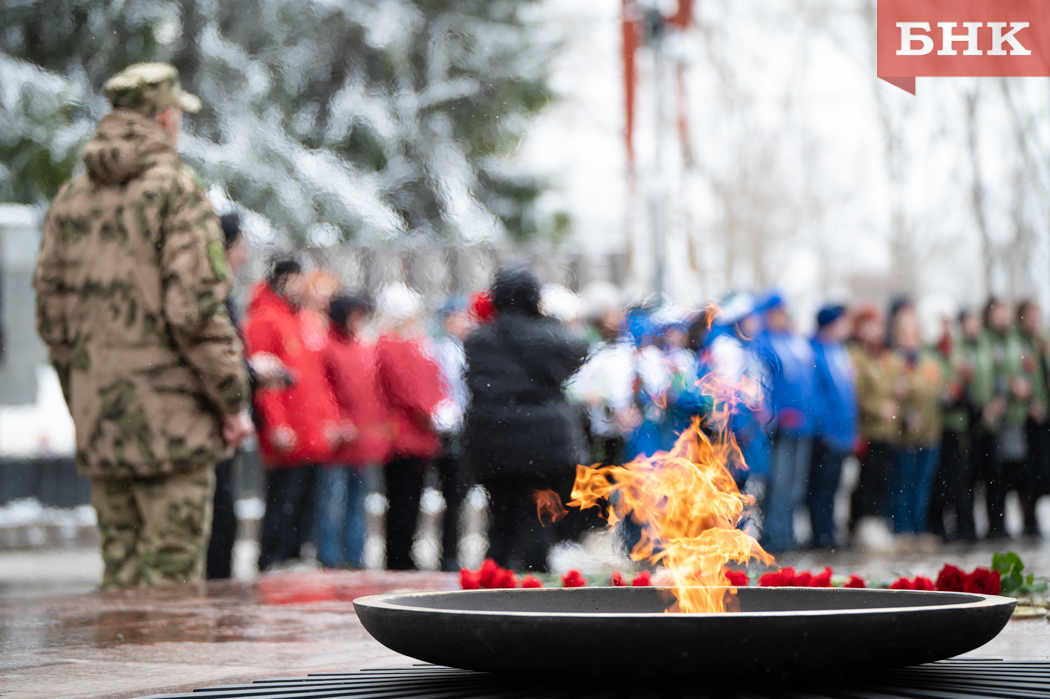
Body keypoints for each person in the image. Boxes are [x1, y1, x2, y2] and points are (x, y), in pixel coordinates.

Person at [33, 63, 252, 588]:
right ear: (168, 117)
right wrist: (231, 400)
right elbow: (195, 310)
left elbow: (51, 319)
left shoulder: (71, 200)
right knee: (171, 588)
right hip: (172, 425)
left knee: (122, 584)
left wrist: (87, 400)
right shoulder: (176, 190)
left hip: (103, 422)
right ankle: (167, 677)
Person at [463, 266, 589, 571]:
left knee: (501, 519)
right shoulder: (549, 337)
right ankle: (535, 584)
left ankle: (493, 583)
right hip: (544, 444)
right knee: (540, 517)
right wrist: (546, 319)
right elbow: (579, 349)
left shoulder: (479, 340)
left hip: (493, 442)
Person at [244, 255, 339, 571]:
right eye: (298, 280)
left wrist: (328, 420)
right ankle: (273, 556)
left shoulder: (299, 320)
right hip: (289, 430)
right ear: (283, 279)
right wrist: (276, 424)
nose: (303, 287)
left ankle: (296, 553)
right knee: (283, 497)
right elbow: (265, 379)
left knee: (304, 498)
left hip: (310, 429)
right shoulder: (265, 319)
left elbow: (316, 379)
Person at [375, 283, 447, 570]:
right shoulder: (392, 344)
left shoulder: (413, 343)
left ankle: (403, 552)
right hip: (404, 435)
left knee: (410, 499)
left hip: (419, 434)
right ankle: (398, 556)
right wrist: (430, 412)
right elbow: (406, 388)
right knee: (402, 500)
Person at [315, 294, 390, 569]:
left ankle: (355, 558)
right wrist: (335, 420)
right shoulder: (326, 347)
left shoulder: (363, 348)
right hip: (339, 443)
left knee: (359, 505)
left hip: (363, 440)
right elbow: (322, 389)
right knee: (332, 504)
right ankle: (331, 558)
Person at [205, 213, 252, 579]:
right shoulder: (214, 291)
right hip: (211, 417)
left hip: (212, 415)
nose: (246, 254)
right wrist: (236, 403)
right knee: (218, 514)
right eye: (242, 245)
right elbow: (217, 355)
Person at [754, 292, 816, 553]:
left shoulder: (792, 340)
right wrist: (777, 414)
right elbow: (763, 385)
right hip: (780, 426)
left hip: (803, 425)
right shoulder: (763, 342)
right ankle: (774, 535)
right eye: (775, 313)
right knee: (779, 483)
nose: (781, 317)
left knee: (796, 484)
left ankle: (788, 533)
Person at [971, 298, 1031, 539]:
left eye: (1006, 311)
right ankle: (995, 523)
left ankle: (1013, 521)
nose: (1003, 316)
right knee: (995, 472)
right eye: (998, 312)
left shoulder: (1016, 340)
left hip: (1017, 415)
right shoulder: (985, 341)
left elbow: (1025, 370)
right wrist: (1005, 391)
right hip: (995, 416)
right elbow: (989, 375)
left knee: (1015, 472)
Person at [888, 302, 943, 536]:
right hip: (904, 436)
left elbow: (934, 393)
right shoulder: (893, 361)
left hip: (929, 433)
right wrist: (903, 412)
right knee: (903, 483)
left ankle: (918, 528)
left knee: (923, 484)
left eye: (914, 332)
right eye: (905, 332)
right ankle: (902, 529)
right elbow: (891, 396)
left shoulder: (928, 361)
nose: (911, 337)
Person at [849, 305, 902, 537]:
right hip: (867, 429)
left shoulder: (884, 355)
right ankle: (861, 523)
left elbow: (892, 386)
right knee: (866, 480)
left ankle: (877, 521)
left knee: (883, 478)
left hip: (886, 430)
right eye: (869, 325)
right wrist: (878, 408)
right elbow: (857, 393)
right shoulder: (855, 355)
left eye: (878, 325)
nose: (875, 331)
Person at [807, 304, 857, 549]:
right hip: (826, 433)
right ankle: (821, 534)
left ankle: (829, 531)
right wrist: (824, 427)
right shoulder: (814, 351)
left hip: (842, 433)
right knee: (821, 486)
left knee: (835, 485)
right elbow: (815, 395)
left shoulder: (839, 350)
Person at [431, 297, 475, 571]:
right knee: (453, 498)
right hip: (448, 431)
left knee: (464, 495)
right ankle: (449, 555)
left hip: (471, 430)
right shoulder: (438, 350)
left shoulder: (472, 349)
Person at [928, 310, 979, 541]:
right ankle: (938, 526)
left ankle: (964, 527)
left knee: (960, 479)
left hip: (959, 424)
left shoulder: (958, 351)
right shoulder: (929, 352)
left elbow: (963, 383)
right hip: (938, 426)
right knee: (940, 482)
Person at [1016, 300, 1049, 537]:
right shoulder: (1018, 344)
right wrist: (1030, 403)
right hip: (1028, 416)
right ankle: (1028, 517)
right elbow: (1021, 378)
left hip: (1046, 413)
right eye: (1031, 315)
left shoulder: (1043, 341)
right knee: (1030, 471)